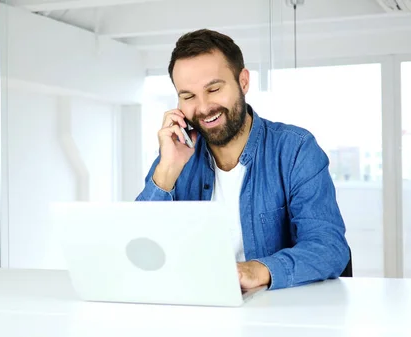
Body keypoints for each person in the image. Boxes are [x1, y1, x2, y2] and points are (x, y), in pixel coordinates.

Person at [135, 28, 350, 291]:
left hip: (275, 314)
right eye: (188, 96)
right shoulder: (176, 155)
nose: (203, 108)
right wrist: (167, 170)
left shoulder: (295, 149)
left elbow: (329, 247)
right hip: (196, 307)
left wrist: (258, 270)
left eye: (213, 89)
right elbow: (138, 249)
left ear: (243, 82)